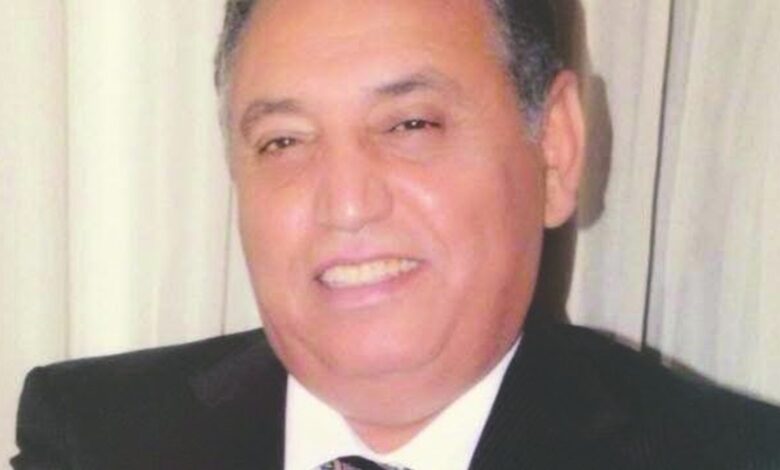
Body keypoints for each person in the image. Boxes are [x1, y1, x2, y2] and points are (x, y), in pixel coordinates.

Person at [11, 0, 780, 469]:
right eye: (284, 140)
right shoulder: (99, 438)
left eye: (410, 124)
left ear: (555, 151)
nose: (346, 204)